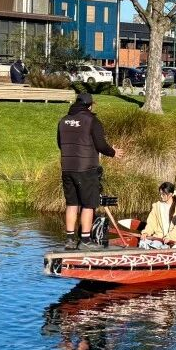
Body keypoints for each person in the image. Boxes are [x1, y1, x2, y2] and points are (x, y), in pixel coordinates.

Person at [57, 92, 120, 250]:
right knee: (88, 204)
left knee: (72, 203)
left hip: (67, 168)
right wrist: (114, 152)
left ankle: (70, 240)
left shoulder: (63, 121)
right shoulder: (92, 121)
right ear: (90, 105)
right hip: (86, 168)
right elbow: (101, 145)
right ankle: (85, 241)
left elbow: (60, 143)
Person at [139, 182, 176, 248]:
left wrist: (169, 237)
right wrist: (146, 232)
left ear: (170, 194)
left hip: (173, 241)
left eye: (163, 194)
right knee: (143, 242)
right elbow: (151, 222)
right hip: (158, 238)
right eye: (160, 194)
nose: (161, 196)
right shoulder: (157, 206)